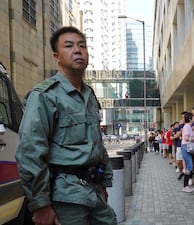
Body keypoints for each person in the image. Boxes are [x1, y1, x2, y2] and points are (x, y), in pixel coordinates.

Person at [15, 26, 117, 225]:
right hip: (65, 197)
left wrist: (104, 182)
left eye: (82, 45)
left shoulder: (89, 95)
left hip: (93, 191)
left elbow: (97, 144)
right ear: (56, 56)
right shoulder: (45, 95)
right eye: (69, 46)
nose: (77, 50)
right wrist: (40, 204)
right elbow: (30, 151)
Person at [181, 112, 194, 192]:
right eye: (193, 117)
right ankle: (185, 186)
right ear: (190, 118)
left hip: (186, 147)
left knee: (189, 166)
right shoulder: (187, 126)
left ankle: (186, 185)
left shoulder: (188, 126)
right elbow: (186, 138)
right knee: (189, 166)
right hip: (186, 147)